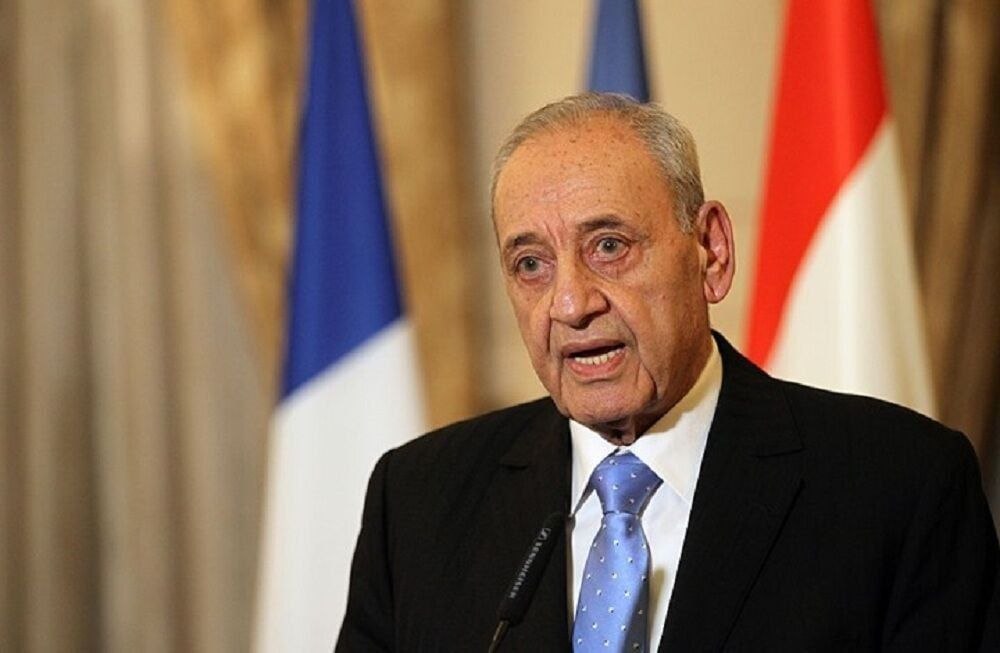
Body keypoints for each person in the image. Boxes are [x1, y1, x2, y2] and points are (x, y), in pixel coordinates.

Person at [336, 93, 999, 651]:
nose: (570, 303)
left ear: (711, 251)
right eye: (531, 264)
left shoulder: (899, 486)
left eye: (609, 246)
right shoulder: (418, 503)